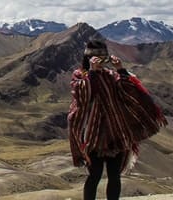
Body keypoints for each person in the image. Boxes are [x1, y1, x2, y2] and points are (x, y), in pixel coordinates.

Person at [68, 39, 167, 200]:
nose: (101, 62)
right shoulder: (80, 75)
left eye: (103, 58)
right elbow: (82, 97)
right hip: (93, 136)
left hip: (116, 133)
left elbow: (128, 93)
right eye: (97, 58)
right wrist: (92, 72)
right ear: (89, 58)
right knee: (95, 175)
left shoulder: (111, 75)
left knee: (114, 175)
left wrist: (120, 70)